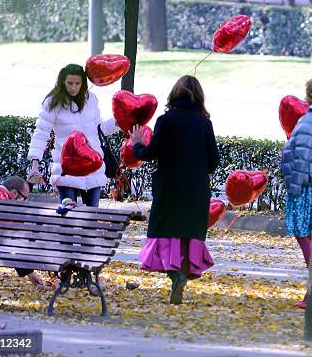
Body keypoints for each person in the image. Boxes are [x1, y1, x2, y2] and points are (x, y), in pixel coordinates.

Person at [130, 75, 220, 305]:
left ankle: (175, 275)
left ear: (174, 95)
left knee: (164, 235)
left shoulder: (166, 120)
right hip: (196, 190)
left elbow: (150, 154)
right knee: (188, 236)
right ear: (200, 97)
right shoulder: (204, 123)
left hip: (169, 188)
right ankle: (181, 276)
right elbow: (214, 162)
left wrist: (137, 144)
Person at [27, 64, 120, 207]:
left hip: (93, 167)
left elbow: (99, 130)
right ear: (62, 82)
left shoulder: (91, 99)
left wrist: (120, 121)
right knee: (68, 214)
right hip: (66, 169)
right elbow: (41, 132)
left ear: (83, 83)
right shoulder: (53, 102)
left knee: (92, 214)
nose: (73, 87)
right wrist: (35, 163)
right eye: (70, 83)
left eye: (77, 83)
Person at [280, 75, 312, 309]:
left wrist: (294, 187)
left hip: (307, 185)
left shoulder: (311, 119)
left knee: (306, 236)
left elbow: (301, 155)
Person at [0, 176, 56, 291]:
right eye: (24, 198)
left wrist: (28, 272)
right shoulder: (6, 201)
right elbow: (13, 242)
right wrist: (29, 272)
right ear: (14, 193)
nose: (24, 202)